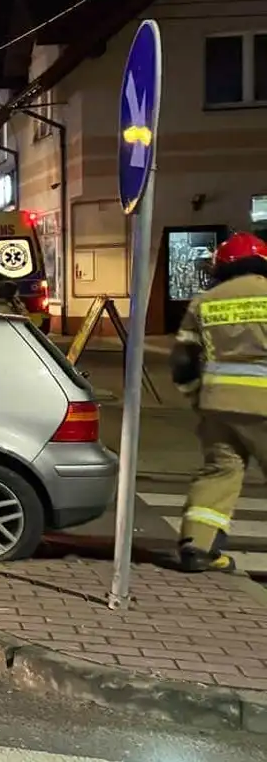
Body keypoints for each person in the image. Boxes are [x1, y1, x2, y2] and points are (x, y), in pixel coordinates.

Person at [170, 232, 267, 572]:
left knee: (219, 473)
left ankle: (198, 547)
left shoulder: (204, 302)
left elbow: (183, 362)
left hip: (218, 406)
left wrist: (197, 398)